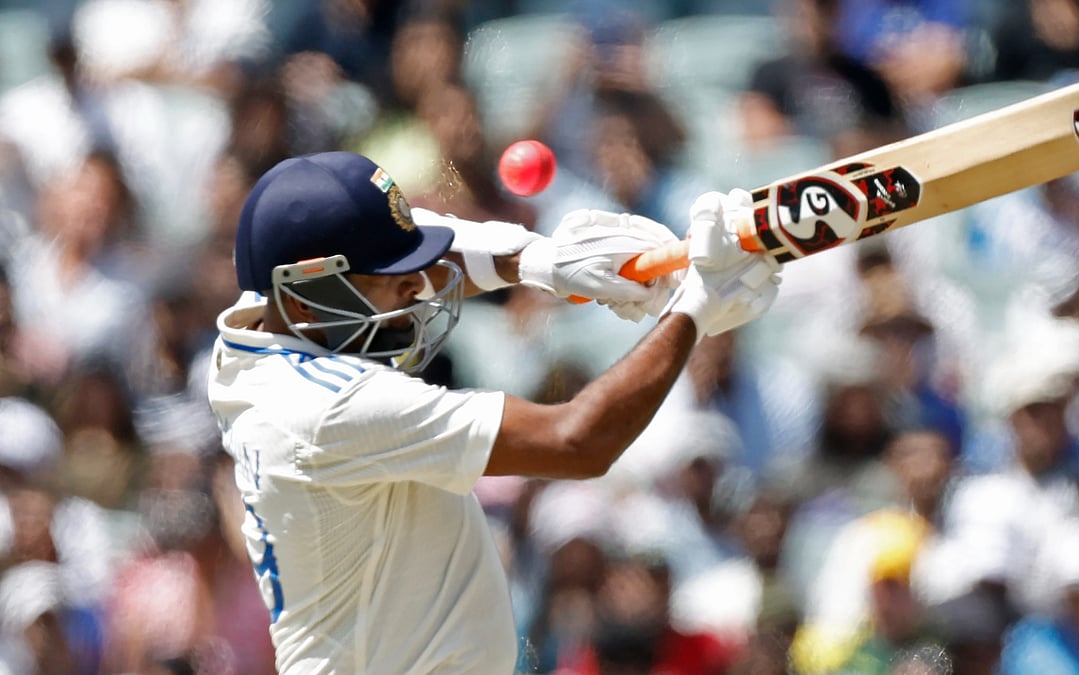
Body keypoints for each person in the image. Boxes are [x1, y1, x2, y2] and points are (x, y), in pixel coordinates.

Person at [205, 150, 781, 673]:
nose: (416, 290)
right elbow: (576, 442)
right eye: (392, 282)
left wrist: (543, 261)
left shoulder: (261, 324)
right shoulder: (326, 409)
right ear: (307, 295)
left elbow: (426, 238)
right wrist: (693, 310)